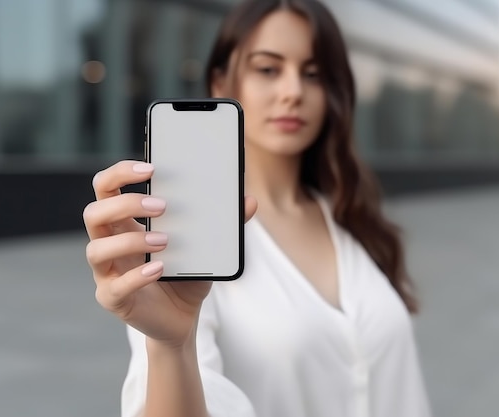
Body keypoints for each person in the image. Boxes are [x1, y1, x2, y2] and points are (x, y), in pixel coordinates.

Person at [83, 0, 432, 416]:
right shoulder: (188, 240)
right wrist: (170, 346)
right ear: (220, 83)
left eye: (313, 74)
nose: (293, 91)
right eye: (268, 69)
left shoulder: (350, 215)